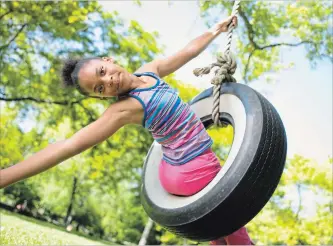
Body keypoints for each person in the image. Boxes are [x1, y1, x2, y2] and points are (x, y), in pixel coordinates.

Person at [0, 15, 253, 245]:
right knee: (234, 225)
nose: (107, 80)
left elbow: (187, 52)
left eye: (102, 71)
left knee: (220, 234)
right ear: (101, 97)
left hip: (178, 164)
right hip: (191, 167)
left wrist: (216, 29)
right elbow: (67, 146)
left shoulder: (150, 71)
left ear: (107, 60)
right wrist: (5, 177)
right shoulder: (122, 110)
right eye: (100, 88)